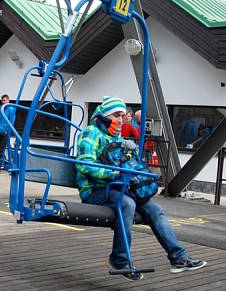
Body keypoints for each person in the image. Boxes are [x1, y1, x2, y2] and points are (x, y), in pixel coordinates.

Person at [76, 96, 205, 280]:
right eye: (116, 115)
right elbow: (84, 165)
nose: (121, 119)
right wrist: (115, 174)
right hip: (96, 190)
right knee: (127, 204)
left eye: (122, 115)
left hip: (121, 188)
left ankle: (179, 257)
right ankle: (119, 259)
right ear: (105, 115)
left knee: (155, 210)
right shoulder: (91, 133)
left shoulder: (117, 137)